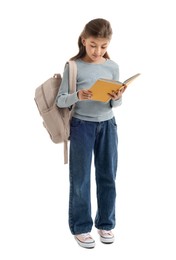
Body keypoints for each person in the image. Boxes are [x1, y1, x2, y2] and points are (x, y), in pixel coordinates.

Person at [56, 18, 126, 249]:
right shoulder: (73, 66)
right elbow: (61, 101)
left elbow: (115, 104)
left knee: (108, 176)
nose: (98, 51)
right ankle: (81, 228)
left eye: (103, 46)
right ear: (84, 40)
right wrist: (78, 95)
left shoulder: (112, 66)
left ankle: (105, 223)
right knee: (81, 179)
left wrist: (117, 97)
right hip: (81, 127)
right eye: (93, 45)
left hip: (108, 126)